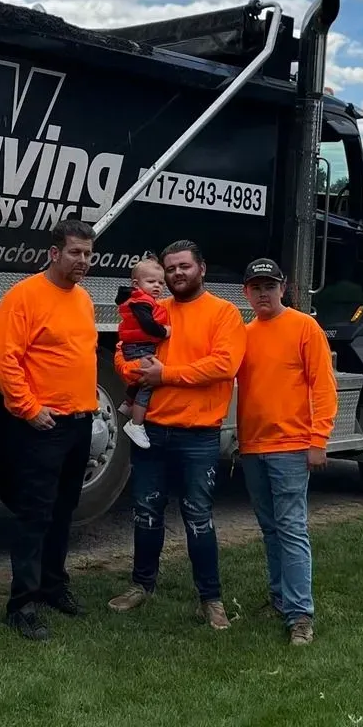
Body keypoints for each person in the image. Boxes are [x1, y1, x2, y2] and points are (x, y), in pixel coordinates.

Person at [108, 238, 245, 630]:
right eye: (170, 269)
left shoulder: (224, 313)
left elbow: (223, 364)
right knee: (146, 511)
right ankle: (141, 585)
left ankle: (210, 598)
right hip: (151, 431)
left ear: (201, 268)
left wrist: (165, 375)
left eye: (184, 266)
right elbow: (123, 349)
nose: (176, 274)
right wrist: (131, 371)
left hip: (198, 435)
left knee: (198, 516)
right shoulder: (155, 310)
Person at [0, 214, 99, 641]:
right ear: (54, 253)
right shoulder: (25, 296)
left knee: (63, 512)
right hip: (43, 426)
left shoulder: (83, 299)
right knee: (35, 514)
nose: (82, 261)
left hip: (79, 422)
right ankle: (23, 605)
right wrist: (29, 408)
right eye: (75, 253)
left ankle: (54, 586)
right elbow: (2, 358)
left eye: (88, 254)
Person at [235, 257, 338, 647]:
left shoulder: (303, 327)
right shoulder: (245, 334)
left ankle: (300, 616)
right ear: (246, 292)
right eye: (256, 287)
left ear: (284, 288)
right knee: (271, 529)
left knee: (292, 530)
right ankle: (280, 598)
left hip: (292, 448)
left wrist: (318, 441)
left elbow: (323, 387)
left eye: (270, 286)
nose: (263, 293)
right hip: (252, 447)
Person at [114, 255, 171, 448]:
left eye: (161, 283)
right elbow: (147, 325)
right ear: (136, 284)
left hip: (135, 345)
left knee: (139, 379)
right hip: (140, 347)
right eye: (151, 281)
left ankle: (128, 403)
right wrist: (164, 331)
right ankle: (136, 424)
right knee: (147, 383)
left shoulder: (136, 298)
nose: (157, 286)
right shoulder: (141, 301)